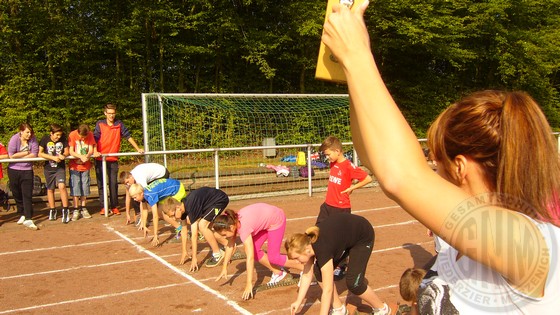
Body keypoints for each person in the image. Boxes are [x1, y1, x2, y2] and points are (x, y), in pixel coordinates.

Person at [322, 2, 560, 313]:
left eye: (437, 162)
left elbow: (401, 177)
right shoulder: (456, 236)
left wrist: (359, 56)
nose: (432, 169)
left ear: (460, 166)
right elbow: (372, 154)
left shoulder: (530, 242)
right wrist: (347, 70)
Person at [285, 212, 391, 315]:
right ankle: (339, 309)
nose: (296, 262)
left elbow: (327, 290)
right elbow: (307, 274)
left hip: (362, 236)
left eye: (296, 258)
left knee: (354, 284)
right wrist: (298, 301)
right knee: (319, 273)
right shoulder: (307, 243)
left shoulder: (322, 250)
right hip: (344, 235)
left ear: (307, 250)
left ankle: (382, 309)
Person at [212, 203, 303, 300]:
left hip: (276, 220)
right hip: (267, 222)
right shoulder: (233, 221)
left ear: (230, 227)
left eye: (224, 234)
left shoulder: (243, 229)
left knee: (274, 257)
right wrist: (224, 267)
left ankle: (305, 268)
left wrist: (248, 284)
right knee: (255, 251)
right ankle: (278, 272)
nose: (224, 237)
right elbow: (230, 246)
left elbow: (250, 258)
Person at [318, 135, 372, 279]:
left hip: (341, 208)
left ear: (337, 151)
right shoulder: (333, 163)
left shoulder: (348, 166)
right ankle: (322, 263)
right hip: (327, 206)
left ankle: (341, 266)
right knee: (318, 233)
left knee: (339, 239)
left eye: (328, 154)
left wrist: (352, 187)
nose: (327, 158)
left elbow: (368, 178)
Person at [161, 187, 230, 271]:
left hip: (219, 200)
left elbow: (194, 236)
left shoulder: (190, 206)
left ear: (178, 207)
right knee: (206, 228)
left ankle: (217, 254)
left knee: (202, 226)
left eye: (173, 215)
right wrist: (184, 251)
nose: (174, 219)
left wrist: (194, 258)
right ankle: (228, 245)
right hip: (209, 202)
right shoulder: (183, 208)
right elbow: (183, 231)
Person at [94, 103, 144, 216]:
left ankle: (114, 206)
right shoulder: (100, 124)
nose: (111, 116)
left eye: (113, 113)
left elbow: (128, 136)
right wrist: (94, 151)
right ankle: (103, 206)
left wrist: (137, 148)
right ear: (105, 113)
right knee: (101, 183)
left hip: (113, 158)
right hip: (100, 158)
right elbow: (95, 139)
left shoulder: (119, 124)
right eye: (109, 113)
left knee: (113, 183)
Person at [129, 178, 186, 247]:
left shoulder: (150, 196)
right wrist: (144, 225)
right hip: (171, 189)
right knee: (160, 211)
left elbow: (155, 216)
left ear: (141, 194)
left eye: (135, 197)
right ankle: (179, 227)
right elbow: (144, 210)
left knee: (170, 211)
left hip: (177, 189)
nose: (135, 200)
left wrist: (155, 235)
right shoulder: (144, 193)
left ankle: (182, 229)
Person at [8, 123, 40, 230]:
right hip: (13, 170)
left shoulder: (33, 140)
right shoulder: (14, 139)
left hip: (27, 170)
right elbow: (11, 155)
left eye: (30, 132)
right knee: (16, 192)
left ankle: (28, 218)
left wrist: (20, 155)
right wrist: (26, 152)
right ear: (21, 131)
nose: (29, 134)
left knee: (27, 194)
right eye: (27, 132)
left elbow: (34, 154)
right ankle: (21, 213)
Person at [38, 124, 70, 223]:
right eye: (56, 135)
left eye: (60, 135)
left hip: (60, 168)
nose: (58, 137)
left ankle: (65, 209)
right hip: (48, 168)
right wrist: (52, 158)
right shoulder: (45, 139)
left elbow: (67, 151)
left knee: (62, 186)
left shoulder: (63, 138)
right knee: (50, 189)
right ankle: (52, 209)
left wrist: (63, 155)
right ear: (51, 133)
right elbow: (40, 153)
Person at [68, 124, 97, 221]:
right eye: (81, 137)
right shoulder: (72, 135)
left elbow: (91, 149)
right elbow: (71, 151)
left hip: (86, 166)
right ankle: (76, 209)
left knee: (85, 186)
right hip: (74, 166)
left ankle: (83, 207)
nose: (83, 138)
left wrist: (87, 156)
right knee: (75, 186)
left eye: (85, 137)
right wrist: (80, 156)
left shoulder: (90, 135)